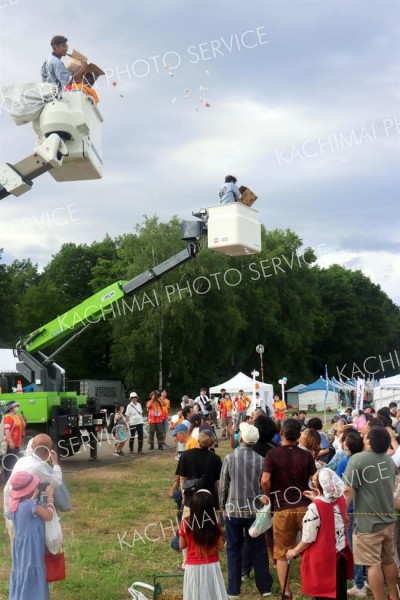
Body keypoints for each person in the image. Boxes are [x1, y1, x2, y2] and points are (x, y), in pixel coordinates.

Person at [261, 418, 317, 598]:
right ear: (299, 436)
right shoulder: (306, 455)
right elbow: (315, 479)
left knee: (282, 552)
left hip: (282, 508)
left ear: (281, 434)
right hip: (305, 507)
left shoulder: (272, 455)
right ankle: (316, 586)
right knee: (311, 546)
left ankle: (286, 592)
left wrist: (269, 496)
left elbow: (265, 480)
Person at [343, 427, 398, 600]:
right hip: (388, 519)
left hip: (368, 524)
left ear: (369, 441)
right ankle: (394, 595)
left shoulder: (357, 459)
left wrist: (343, 512)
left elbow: (347, 490)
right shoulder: (389, 461)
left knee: (372, 565)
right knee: (389, 561)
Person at [220, 422, 273, 599]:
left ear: (240, 439)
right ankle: (265, 587)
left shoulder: (229, 459)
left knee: (233, 550)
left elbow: (224, 486)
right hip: (254, 511)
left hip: (234, 510)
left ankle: (233, 589)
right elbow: (263, 483)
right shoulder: (260, 460)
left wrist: (223, 507)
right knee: (258, 548)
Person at [286, 469, 354, 600]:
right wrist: (317, 498)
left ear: (318, 485)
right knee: (339, 593)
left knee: (325, 595)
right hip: (339, 556)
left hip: (323, 561)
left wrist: (294, 551)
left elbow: (308, 538)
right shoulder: (340, 500)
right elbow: (329, 504)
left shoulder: (314, 507)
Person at [7, 471, 55, 600]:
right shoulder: (32, 505)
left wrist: (31, 499)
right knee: (34, 569)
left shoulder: (14, 508)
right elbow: (48, 516)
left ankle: (19, 596)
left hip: (20, 548)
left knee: (21, 571)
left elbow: (25, 510)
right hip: (33, 549)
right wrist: (50, 497)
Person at [179, 490, 227, 600]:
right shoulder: (214, 524)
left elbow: (182, 545)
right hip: (211, 565)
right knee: (212, 594)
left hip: (192, 567)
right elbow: (220, 547)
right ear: (211, 508)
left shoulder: (186, 522)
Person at [2, 401, 26, 482]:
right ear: (11, 408)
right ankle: (8, 479)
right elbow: (7, 431)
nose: (17, 407)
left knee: (17, 461)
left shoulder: (17, 417)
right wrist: (11, 442)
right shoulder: (8, 417)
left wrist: (25, 422)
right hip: (11, 444)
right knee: (9, 461)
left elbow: (22, 429)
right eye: (16, 406)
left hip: (17, 443)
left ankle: (15, 478)